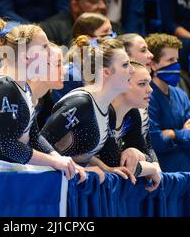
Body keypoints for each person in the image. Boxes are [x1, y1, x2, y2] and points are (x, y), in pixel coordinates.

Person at [0, 18, 86, 182]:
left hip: (11, 172)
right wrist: (55, 161)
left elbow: (33, 137)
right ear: (26, 57)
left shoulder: (23, 87)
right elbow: (10, 146)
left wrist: (61, 159)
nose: (50, 53)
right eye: (44, 47)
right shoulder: (4, 87)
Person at [42, 36, 161, 191]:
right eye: (125, 65)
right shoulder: (81, 103)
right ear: (105, 72)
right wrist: (77, 167)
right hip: (48, 185)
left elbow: (112, 160)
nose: (132, 70)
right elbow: (42, 141)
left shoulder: (105, 108)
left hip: (71, 184)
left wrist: (105, 168)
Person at [146, 33, 190, 172]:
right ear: (153, 64)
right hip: (160, 174)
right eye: (170, 60)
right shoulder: (147, 95)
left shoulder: (180, 94)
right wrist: (183, 133)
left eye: (177, 60)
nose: (176, 66)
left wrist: (172, 134)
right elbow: (156, 142)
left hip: (184, 171)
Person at [51, 12, 116, 101]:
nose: (112, 36)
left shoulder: (106, 65)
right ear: (87, 38)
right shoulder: (69, 75)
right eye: (105, 32)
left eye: (111, 31)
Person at [111, 61, 161, 175]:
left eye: (149, 83)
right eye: (142, 84)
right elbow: (115, 164)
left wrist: (141, 156)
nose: (150, 89)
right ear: (123, 84)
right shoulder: (103, 113)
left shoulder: (133, 114)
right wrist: (151, 168)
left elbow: (145, 151)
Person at [41, 0, 122, 47]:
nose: (103, 6)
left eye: (105, 1)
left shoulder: (114, 29)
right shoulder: (51, 30)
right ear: (75, 5)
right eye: (94, 1)